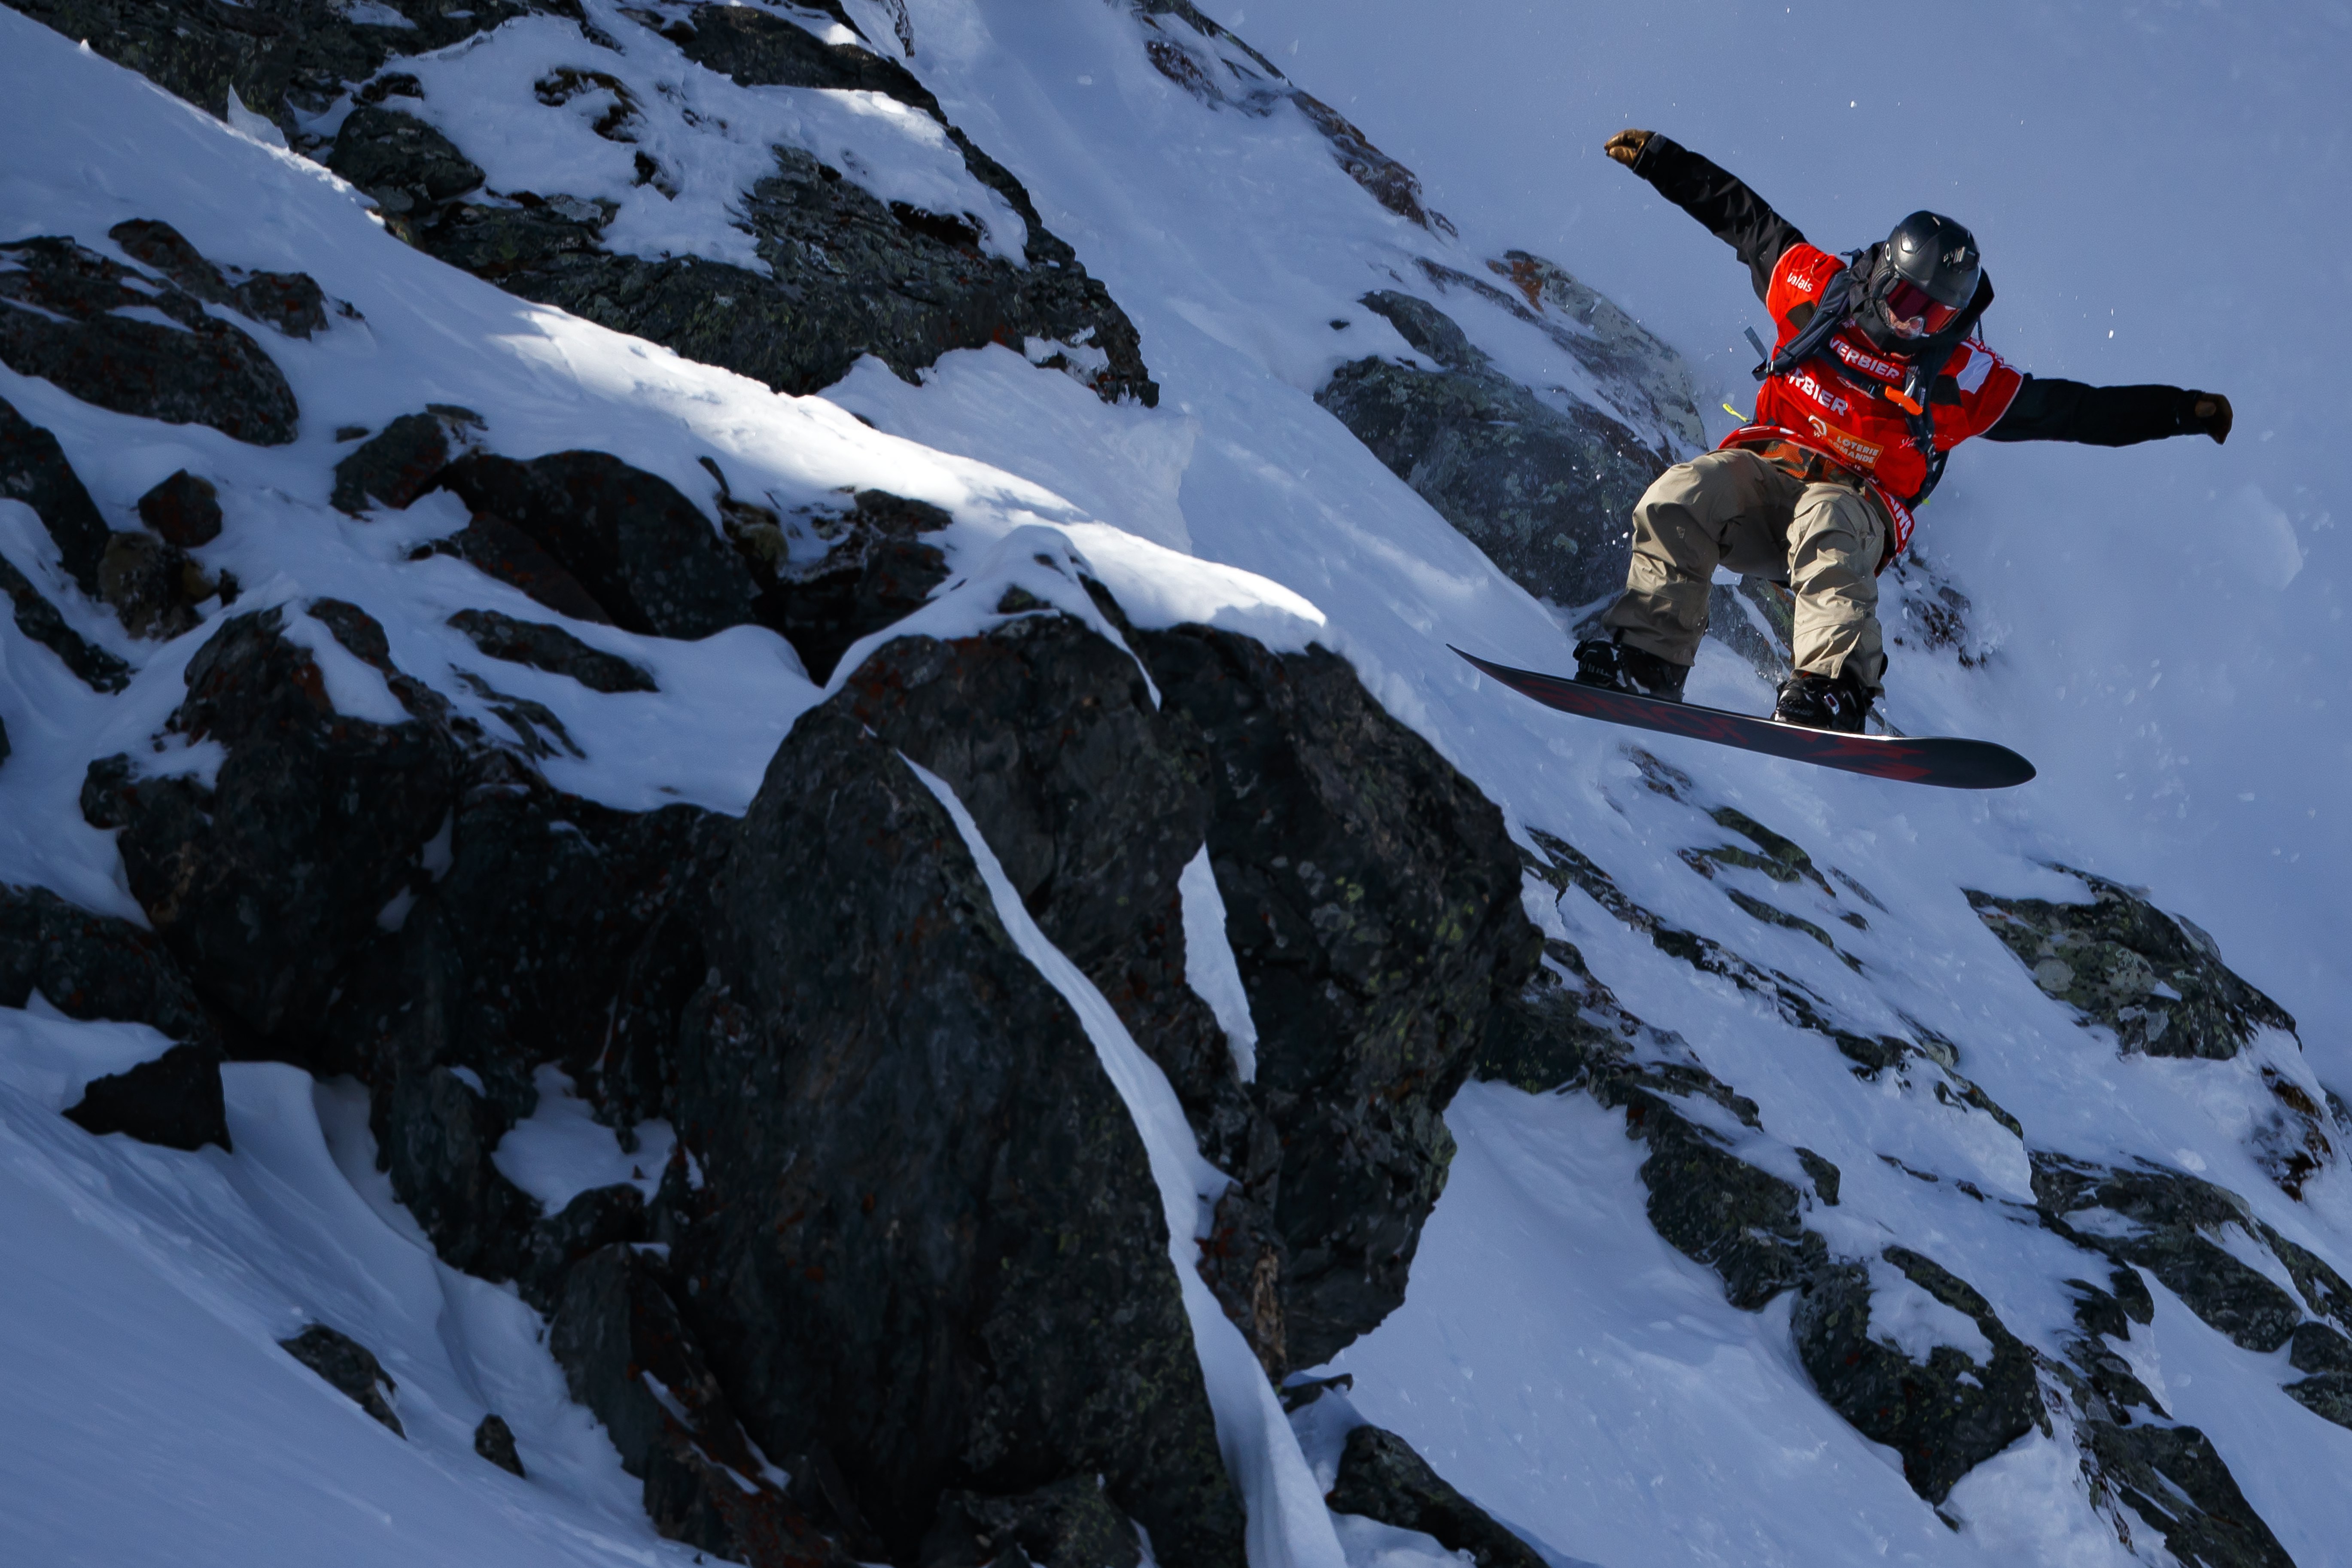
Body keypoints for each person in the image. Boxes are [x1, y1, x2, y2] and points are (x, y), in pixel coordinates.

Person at [1573, 129, 2232, 731]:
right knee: (1687, 489)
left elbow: (2076, 411)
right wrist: (1659, 160)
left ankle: (1834, 689)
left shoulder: (1960, 377)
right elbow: (1743, 218)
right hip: (1764, 483)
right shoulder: (1812, 287)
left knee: (1826, 518)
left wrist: (2178, 412)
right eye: (1908, 302)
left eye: (1937, 314)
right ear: (1883, 274)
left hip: (1856, 509)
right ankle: (1648, 659)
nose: (1915, 324)